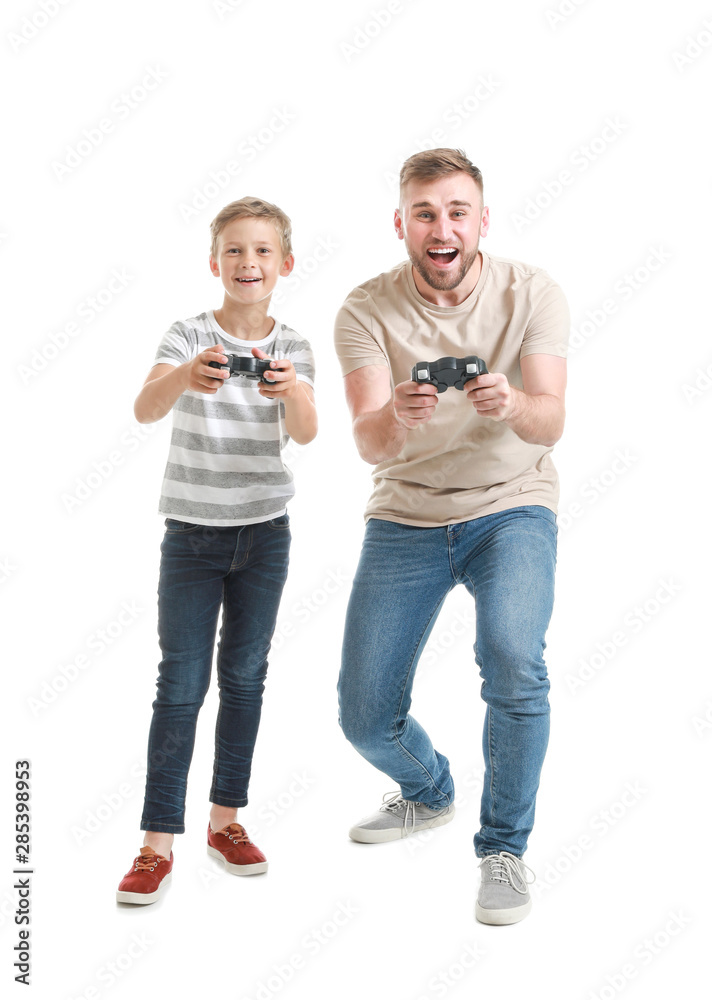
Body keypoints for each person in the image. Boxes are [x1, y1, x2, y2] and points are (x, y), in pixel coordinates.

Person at [333, 149, 569, 925]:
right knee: (364, 716)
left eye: (456, 212)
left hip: (512, 503)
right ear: (401, 225)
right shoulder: (364, 309)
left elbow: (552, 421)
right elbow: (367, 444)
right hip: (407, 511)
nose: (443, 228)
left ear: (481, 220)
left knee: (512, 655)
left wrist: (511, 406)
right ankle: (428, 789)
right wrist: (394, 421)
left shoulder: (531, 291)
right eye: (426, 214)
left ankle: (503, 849)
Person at [116, 197, 317, 905]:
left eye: (262, 251)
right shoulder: (188, 334)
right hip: (192, 536)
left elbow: (312, 431)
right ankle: (155, 841)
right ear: (215, 263)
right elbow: (144, 407)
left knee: (246, 678)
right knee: (180, 683)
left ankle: (226, 821)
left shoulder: (292, 345)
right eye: (234, 250)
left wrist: (291, 391)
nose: (248, 263)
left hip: (265, 534)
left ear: (284, 264)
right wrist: (185, 377)